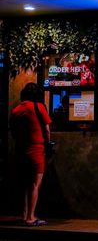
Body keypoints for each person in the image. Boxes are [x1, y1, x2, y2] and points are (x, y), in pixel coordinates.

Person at [9, 83, 52, 226]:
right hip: (36, 150)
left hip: (21, 150)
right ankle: (31, 217)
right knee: (35, 185)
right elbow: (46, 130)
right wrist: (48, 143)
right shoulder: (38, 107)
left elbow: (13, 132)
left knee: (25, 184)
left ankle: (24, 214)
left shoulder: (16, 110)